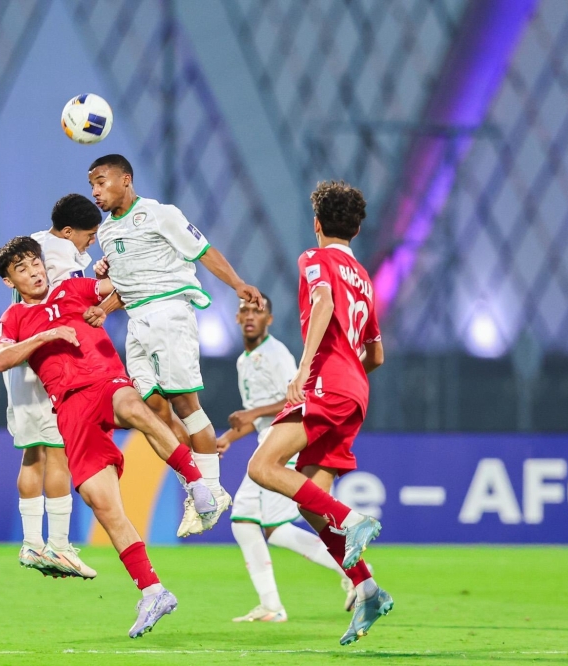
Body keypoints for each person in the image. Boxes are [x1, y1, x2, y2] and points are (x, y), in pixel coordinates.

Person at [0, 235, 219, 638]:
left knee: (136, 408)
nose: (34, 272)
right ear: (11, 282)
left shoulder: (71, 288)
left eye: (35, 263)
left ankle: (199, 487)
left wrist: (108, 271)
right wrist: (47, 336)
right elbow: (0, 358)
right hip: (70, 410)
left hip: (105, 381)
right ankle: (152, 591)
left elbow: (118, 286)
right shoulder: (14, 320)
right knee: (103, 503)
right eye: (22, 269)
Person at [246, 181, 393, 646]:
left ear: (316, 224)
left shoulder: (315, 259)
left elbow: (325, 302)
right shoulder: (365, 278)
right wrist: (350, 373)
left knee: (262, 467)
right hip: (355, 392)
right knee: (310, 503)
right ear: (357, 227)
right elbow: (377, 355)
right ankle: (366, 586)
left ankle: (354, 520)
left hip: (325, 382)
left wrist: (305, 370)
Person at [87, 153, 264, 537]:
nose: (96, 191)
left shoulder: (159, 213)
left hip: (169, 314)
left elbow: (203, 250)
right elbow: (130, 282)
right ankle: (197, 487)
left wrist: (238, 285)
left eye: (102, 181)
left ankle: (212, 491)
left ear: (126, 179)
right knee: (151, 411)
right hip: (137, 323)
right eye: (92, 185)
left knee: (185, 405)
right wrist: (104, 309)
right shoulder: (106, 233)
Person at [216, 295, 355, 622]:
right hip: (266, 441)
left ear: (269, 320)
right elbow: (256, 417)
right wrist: (228, 439)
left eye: (257, 311)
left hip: (284, 445)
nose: (250, 316)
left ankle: (352, 567)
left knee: (276, 530)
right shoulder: (243, 361)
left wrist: (254, 413)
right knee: (244, 522)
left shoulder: (277, 354)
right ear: (237, 317)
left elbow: (297, 399)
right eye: (245, 310)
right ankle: (271, 605)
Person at [7, 194, 101, 579]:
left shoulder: (35, 244)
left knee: (33, 454)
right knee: (59, 452)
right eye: (88, 235)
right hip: (46, 364)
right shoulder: (59, 254)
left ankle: (32, 544)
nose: (90, 242)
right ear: (66, 232)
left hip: (21, 359)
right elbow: (79, 297)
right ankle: (59, 547)